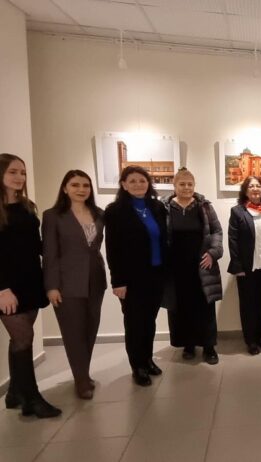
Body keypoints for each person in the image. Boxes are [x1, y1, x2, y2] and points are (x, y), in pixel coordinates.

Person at [0, 153, 61, 418]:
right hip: (7, 286)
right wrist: (2, 289)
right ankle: (32, 399)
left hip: (30, 280)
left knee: (21, 338)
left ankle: (15, 391)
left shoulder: (27, 206)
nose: (20, 177)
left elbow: (35, 245)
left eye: (22, 172)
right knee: (23, 337)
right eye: (13, 172)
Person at [42, 170, 106, 399]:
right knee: (73, 333)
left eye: (86, 185)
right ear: (65, 188)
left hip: (95, 280)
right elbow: (50, 253)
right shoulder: (53, 216)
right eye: (75, 185)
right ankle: (81, 381)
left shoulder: (99, 213)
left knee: (90, 329)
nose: (81, 189)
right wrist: (51, 286)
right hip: (66, 282)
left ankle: (83, 373)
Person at [104, 165, 167, 386]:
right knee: (134, 323)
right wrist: (118, 281)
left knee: (149, 321)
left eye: (142, 180)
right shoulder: (115, 211)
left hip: (156, 275)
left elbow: (164, 240)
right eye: (132, 181)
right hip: (131, 279)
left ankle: (148, 359)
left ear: (148, 183)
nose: (138, 184)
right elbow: (112, 249)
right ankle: (137, 366)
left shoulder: (157, 207)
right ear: (123, 185)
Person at [162, 168, 223, 365]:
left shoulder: (204, 207)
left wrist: (213, 253)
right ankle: (188, 345)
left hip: (202, 266)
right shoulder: (164, 208)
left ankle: (209, 347)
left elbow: (217, 231)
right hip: (176, 268)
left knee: (205, 308)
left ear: (194, 186)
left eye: (190, 184)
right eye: (182, 184)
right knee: (182, 308)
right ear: (174, 186)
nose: (186, 188)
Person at [228, 176, 261, 355]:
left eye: (258, 186)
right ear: (245, 191)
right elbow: (233, 240)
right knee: (248, 304)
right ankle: (250, 340)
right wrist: (237, 266)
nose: (255, 189)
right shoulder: (238, 212)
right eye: (251, 186)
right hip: (247, 267)